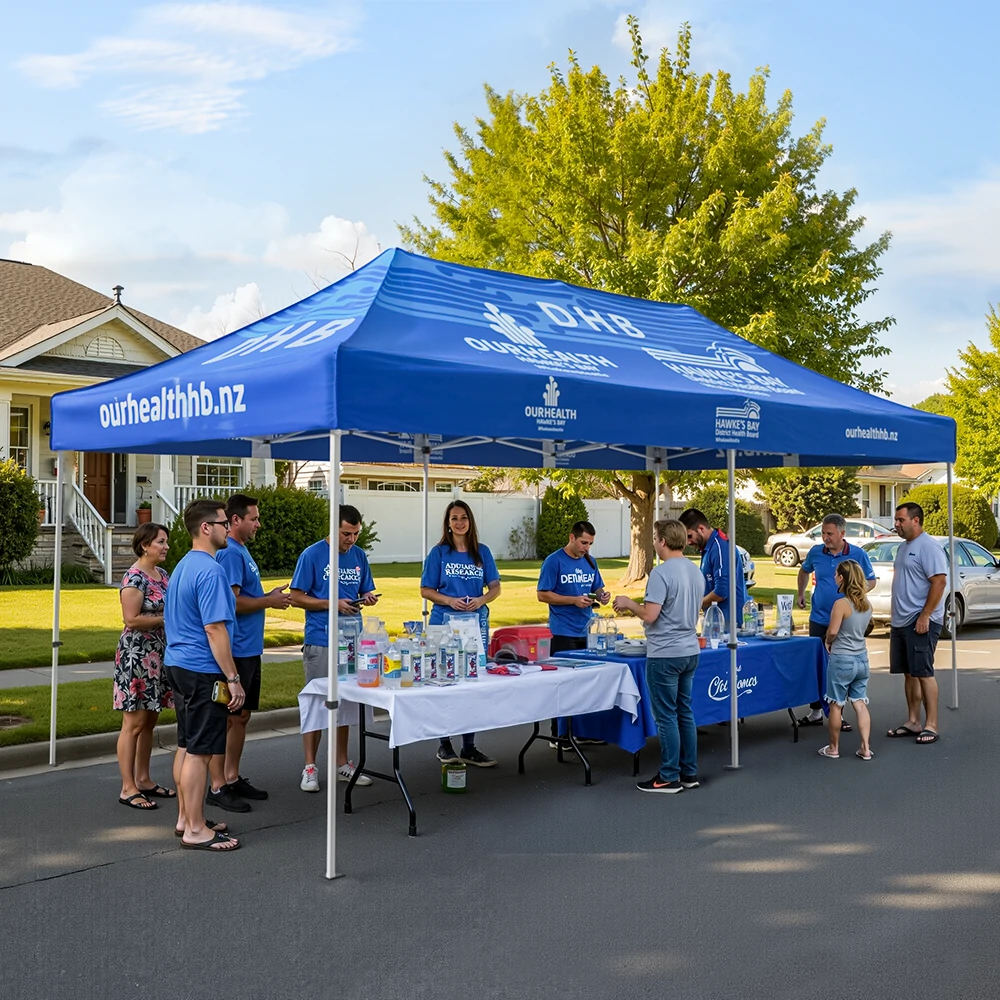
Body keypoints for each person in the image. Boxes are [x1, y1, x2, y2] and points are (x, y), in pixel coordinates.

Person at [164, 499, 244, 852]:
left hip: (179, 665)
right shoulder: (211, 571)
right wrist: (233, 677)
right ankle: (196, 829)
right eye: (224, 523)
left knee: (186, 743)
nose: (229, 528)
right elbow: (215, 628)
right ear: (206, 528)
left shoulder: (183, 565)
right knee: (199, 751)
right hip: (201, 669)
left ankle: (187, 817)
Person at [210, 493, 292, 811]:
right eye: (253, 518)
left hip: (249, 649)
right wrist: (268, 601)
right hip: (236, 649)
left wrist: (268, 597)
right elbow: (231, 602)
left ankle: (231, 777)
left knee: (241, 717)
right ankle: (218, 786)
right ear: (235, 520)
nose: (258, 523)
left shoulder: (241, 551)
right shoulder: (230, 553)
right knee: (229, 716)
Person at [290, 505, 379, 792]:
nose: (350, 539)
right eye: (345, 533)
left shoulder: (359, 556)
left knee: (346, 702)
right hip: (321, 637)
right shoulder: (312, 555)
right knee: (317, 702)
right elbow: (297, 596)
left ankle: (342, 762)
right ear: (332, 527)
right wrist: (333, 603)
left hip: (352, 639)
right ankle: (310, 767)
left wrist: (367, 597)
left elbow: (365, 588)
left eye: (355, 534)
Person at [613, 519, 704, 793]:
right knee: (684, 712)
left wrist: (629, 604)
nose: (653, 542)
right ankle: (689, 771)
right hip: (690, 648)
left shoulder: (661, 574)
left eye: (655, 538)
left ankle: (668, 775)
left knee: (666, 716)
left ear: (663, 541)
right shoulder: (695, 571)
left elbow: (651, 615)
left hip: (665, 652)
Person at [420, 500, 501, 768]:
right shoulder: (439, 553)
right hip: (444, 624)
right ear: (448, 523)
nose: (459, 523)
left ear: (470, 521)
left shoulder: (482, 552)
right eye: (454, 518)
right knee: (445, 684)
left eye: (464, 517)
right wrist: (448, 600)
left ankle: (469, 746)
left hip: (473, 626)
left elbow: (495, 587)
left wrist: (481, 600)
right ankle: (444, 744)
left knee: (471, 686)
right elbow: (426, 590)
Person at [795, 513, 877, 729]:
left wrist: (854, 595)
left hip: (844, 620)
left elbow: (870, 580)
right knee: (817, 665)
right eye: (823, 533)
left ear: (842, 533)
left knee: (838, 666)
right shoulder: (815, 552)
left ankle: (836, 712)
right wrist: (801, 593)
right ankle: (815, 712)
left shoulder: (857, 554)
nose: (825, 537)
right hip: (819, 617)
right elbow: (804, 571)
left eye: (829, 533)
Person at [114, 522, 174, 810]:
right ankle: (128, 788)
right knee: (134, 722)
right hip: (137, 655)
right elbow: (131, 620)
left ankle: (144, 779)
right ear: (144, 545)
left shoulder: (162, 575)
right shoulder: (134, 579)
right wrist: (166, 619)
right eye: (161, 542)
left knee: (150, 718)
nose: (166, 546)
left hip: (159, 652)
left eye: (166, 542)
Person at [886, 502, 948, 744]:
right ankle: (913, 721)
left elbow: (939, 583)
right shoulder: (903, 548)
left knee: (923, 673)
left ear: (916, 520)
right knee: (909, 673)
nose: (897, 524)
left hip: (920, 620)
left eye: (901, 520)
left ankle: (931, 725)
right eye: (896, 520)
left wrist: (925, 615)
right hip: (901, 620)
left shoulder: (929, 547)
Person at [816, 560, 874, 760]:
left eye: (836, 575)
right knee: (859, 702)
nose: (834, 577)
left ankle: (833, 748)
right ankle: (865, 748)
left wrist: (828, 641)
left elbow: (833, 631)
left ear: (842, 578)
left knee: (836, 704)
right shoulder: (867, 605)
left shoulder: (841, 604)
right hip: (861, 659)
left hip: (842, 658)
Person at [536, 520, 611, 654]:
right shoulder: (553, 561)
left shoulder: (590, 561)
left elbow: (596, 587)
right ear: (572, 537)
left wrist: (602, 595)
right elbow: (542, 595)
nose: (587, 548)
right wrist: (574, 600)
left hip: (587, 630)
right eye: (584, 543)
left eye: (590, 544)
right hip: (562, 632)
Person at [679, 508, 748, 624]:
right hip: (716, 622)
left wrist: (694, 604)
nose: (688, 542)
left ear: (701, 529)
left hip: (730, 623)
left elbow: (721, 591)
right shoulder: (709, 548)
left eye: (689, 536)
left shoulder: (720, 547)